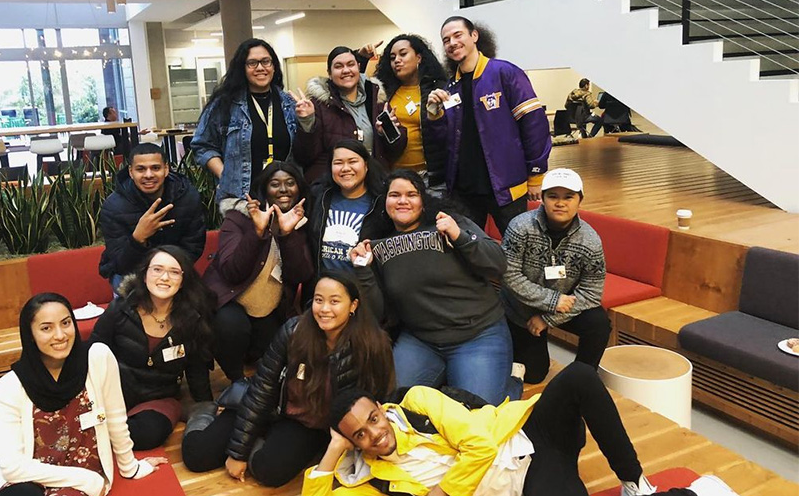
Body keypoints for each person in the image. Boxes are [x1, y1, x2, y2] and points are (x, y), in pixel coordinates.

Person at [308, 362, 720, 496]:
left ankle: (635, 483)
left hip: (524, 434)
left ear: (382, 408)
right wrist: (333, 450)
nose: (374, 434)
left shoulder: (416, 401)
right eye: (359, 434)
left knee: (578, 375)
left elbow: (481, 442)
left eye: (373, 419)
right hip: (519, 480)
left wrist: (445, 491)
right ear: (353, 444)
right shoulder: (372, 478)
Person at [180, 271, 395, 488]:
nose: (324, 309)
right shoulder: (294, 330)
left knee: (269, 471)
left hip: (308, 425)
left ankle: (263, 441)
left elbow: (378, 399)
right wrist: (237, 453)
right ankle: (203, 411)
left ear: (353, 305)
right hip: (270, 407)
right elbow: (262, 389)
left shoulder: (373, 344)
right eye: (319, 300)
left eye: (335, 301)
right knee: (197, 455)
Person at [350, 170, 519, 405]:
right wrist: (363, 270)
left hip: (478, 335)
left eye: (411, 194)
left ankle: (511, 382)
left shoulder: (450, 223)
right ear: (384, 202)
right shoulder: (377, 246)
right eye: (394, 195)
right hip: (421, 341)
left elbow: (498, 263)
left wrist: (460, 237)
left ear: (423, 201)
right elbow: (378, 313)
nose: (402, 201)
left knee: (477, 414)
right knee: (388, 405)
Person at [0, 293, 167, 496]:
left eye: (66, 323)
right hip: (32, 478)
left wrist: (131, 467)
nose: (60, 335)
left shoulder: (97, 358)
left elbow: (116, 418)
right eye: (46, 328)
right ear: (30, 334)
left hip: (78, 484)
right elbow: (13, 468)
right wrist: (86, 479)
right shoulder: (10, 386)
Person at [426, 16, 552, 234]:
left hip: (507, 188)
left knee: (520, 249)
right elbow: (446, 141)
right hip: (464, 191)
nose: (452, 43)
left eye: (458, 35)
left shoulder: (505, 73)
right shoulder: (450, 87)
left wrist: (536, 174)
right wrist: (434, 114)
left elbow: (534, 124)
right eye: (446, 40)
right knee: (469, 253)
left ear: (474, 36)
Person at [90, 245, 215, 450]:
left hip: (159, 397)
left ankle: (105, 435)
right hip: (116, 391)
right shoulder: (121, 309)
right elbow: (93, 352)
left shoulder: (192, 319)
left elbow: (196, 368)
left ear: (183, 280)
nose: (164, 277)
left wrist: (205, 405)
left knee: (147, 435)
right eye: (157, 269)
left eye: (174, 272)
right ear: (144, 274)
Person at [203, 161, 314, 382]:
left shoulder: (301, 223)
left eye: (290, 183)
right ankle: (236, 381)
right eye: (275, 184)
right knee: (232, 326)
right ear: (264, 190)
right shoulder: (238, 218)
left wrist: (287, 234)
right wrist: (257, 231)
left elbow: (300, 276)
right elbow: (232, 272)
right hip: (229, 301)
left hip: (270, 308)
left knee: (274, 362)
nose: (283, 190)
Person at [501, 168, 610, 384]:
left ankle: (581, 379)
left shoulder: (590, 241)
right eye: (553, 196)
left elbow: (591, 293)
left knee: (599, 322)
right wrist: (551, 301)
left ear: (580, 200)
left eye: (568, 197)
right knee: (534, 374)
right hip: (520, 309)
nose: (560, 203)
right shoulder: (520, 227)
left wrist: (548, 318)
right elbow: (508, 275)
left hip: (562, 306)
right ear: (542, 198)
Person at [192, 39, 298, 201]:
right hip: (240, 197)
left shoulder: (290, 104)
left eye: (265, 61)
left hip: (284, 197)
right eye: (252, 63)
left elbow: (305, 151)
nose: (260, 68)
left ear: (274, 66)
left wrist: (308, 120)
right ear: (242, 68)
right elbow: (202, 146)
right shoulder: (223, 105)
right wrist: (225, 175)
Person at [98, 142, 206, 293]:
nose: (148, 175)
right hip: (131, 271)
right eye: (140, 169)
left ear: (166, 169)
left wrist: (163, 270)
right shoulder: (114, 206)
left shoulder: (187, 197)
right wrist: (138, 238)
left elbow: (194, 246)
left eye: (155, 168)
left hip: (175, 266)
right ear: (130, 172)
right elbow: (120, 264)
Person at [291, 45, 406, 184]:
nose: (346, 70)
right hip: (332, 188)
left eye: (350, 64)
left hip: (373, 184)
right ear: (329, 73)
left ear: (358, 67)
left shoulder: (377, 100)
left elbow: (396, 151)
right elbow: (304, 156)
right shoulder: (319, 106)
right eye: (339, 66)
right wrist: (307, 122)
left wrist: (386, 131)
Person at [374, 34, 448, 189]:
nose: (397, 61)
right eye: (392, 58)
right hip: (395, 176)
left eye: (403, 54)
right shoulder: (384, 92)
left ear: (419, 58)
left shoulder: (438, 88)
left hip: (431, 177)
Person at [308, 139, 388, 280]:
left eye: (352, 161)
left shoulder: (382, 203)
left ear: (366, 165)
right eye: (338, 163)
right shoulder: (318, 197)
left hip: (364, 290)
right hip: (323, 289)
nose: (345, 168)